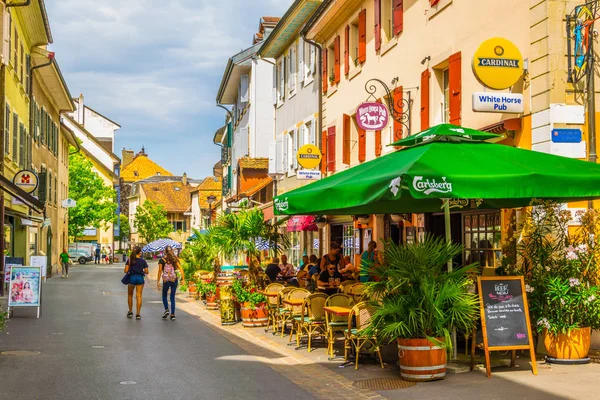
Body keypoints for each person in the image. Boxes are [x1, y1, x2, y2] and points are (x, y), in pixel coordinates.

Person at [157, 246, 185, 321]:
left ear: (165, 251)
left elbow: (160, 271)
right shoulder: (175, 259)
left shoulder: (162, 260)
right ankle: (172, 314)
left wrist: (158, 282)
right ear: (172, 250)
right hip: (173, 280)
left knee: (164, 295)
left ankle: (166, 309)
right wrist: (183, 279)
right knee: (172, 297)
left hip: (166, 280)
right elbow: (181, 269)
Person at [124, 246, 149, 320]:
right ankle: (138, 314)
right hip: (140, 278)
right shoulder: (143, 261)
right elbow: (147, 271)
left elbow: (125, 270)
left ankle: (130, 311)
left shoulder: (129, 260)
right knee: (139, 296)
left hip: (132, 278)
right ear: (139, 252)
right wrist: (142, 271)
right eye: (141, 251)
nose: (141, 252)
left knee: (130, 295)